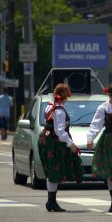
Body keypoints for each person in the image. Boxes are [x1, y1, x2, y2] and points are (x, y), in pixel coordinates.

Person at [38, 83, 83, 212]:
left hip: (46, 140)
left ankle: (51, 202)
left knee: (52, 172)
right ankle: (51, 202)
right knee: (54, 172)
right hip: (54, 143)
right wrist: (71, 144)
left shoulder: (51, 106)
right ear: (65, 95)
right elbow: (60, 131)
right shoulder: (59, 111)